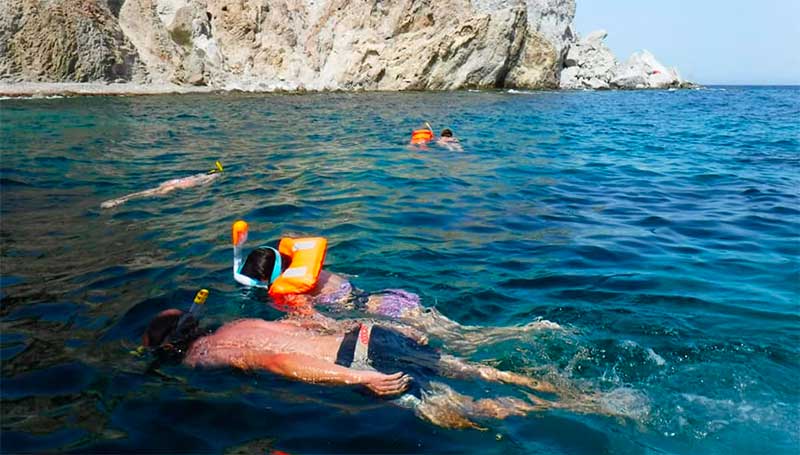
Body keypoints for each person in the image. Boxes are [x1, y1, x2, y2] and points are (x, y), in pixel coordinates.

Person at [142, 308, 562, 429]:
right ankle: (558, 391)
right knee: (477, 371)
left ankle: (573, 412)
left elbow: (276, 361)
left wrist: (359, 377)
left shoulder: (201, 358)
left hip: (359, 361)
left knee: (456, 414)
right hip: (370, 333)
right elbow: (307, 324)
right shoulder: (238, 323)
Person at [238, 246, 563, 354]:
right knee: (461, 333)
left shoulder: (292, 291)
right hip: (390, 297)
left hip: (383, 312)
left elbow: (316, 321)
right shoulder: (312, 269)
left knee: (463, 345)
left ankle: (526, 334)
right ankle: (528, 330)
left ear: (268, 278)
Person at [100, 161, 223, 209]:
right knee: (153, 194)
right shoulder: (209, 178)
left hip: (174, 182)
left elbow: (210, 173)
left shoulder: (199, 175)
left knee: (150, 191)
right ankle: (120, 201)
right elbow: (206, 185)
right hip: (176, 186)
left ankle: (120, 199)